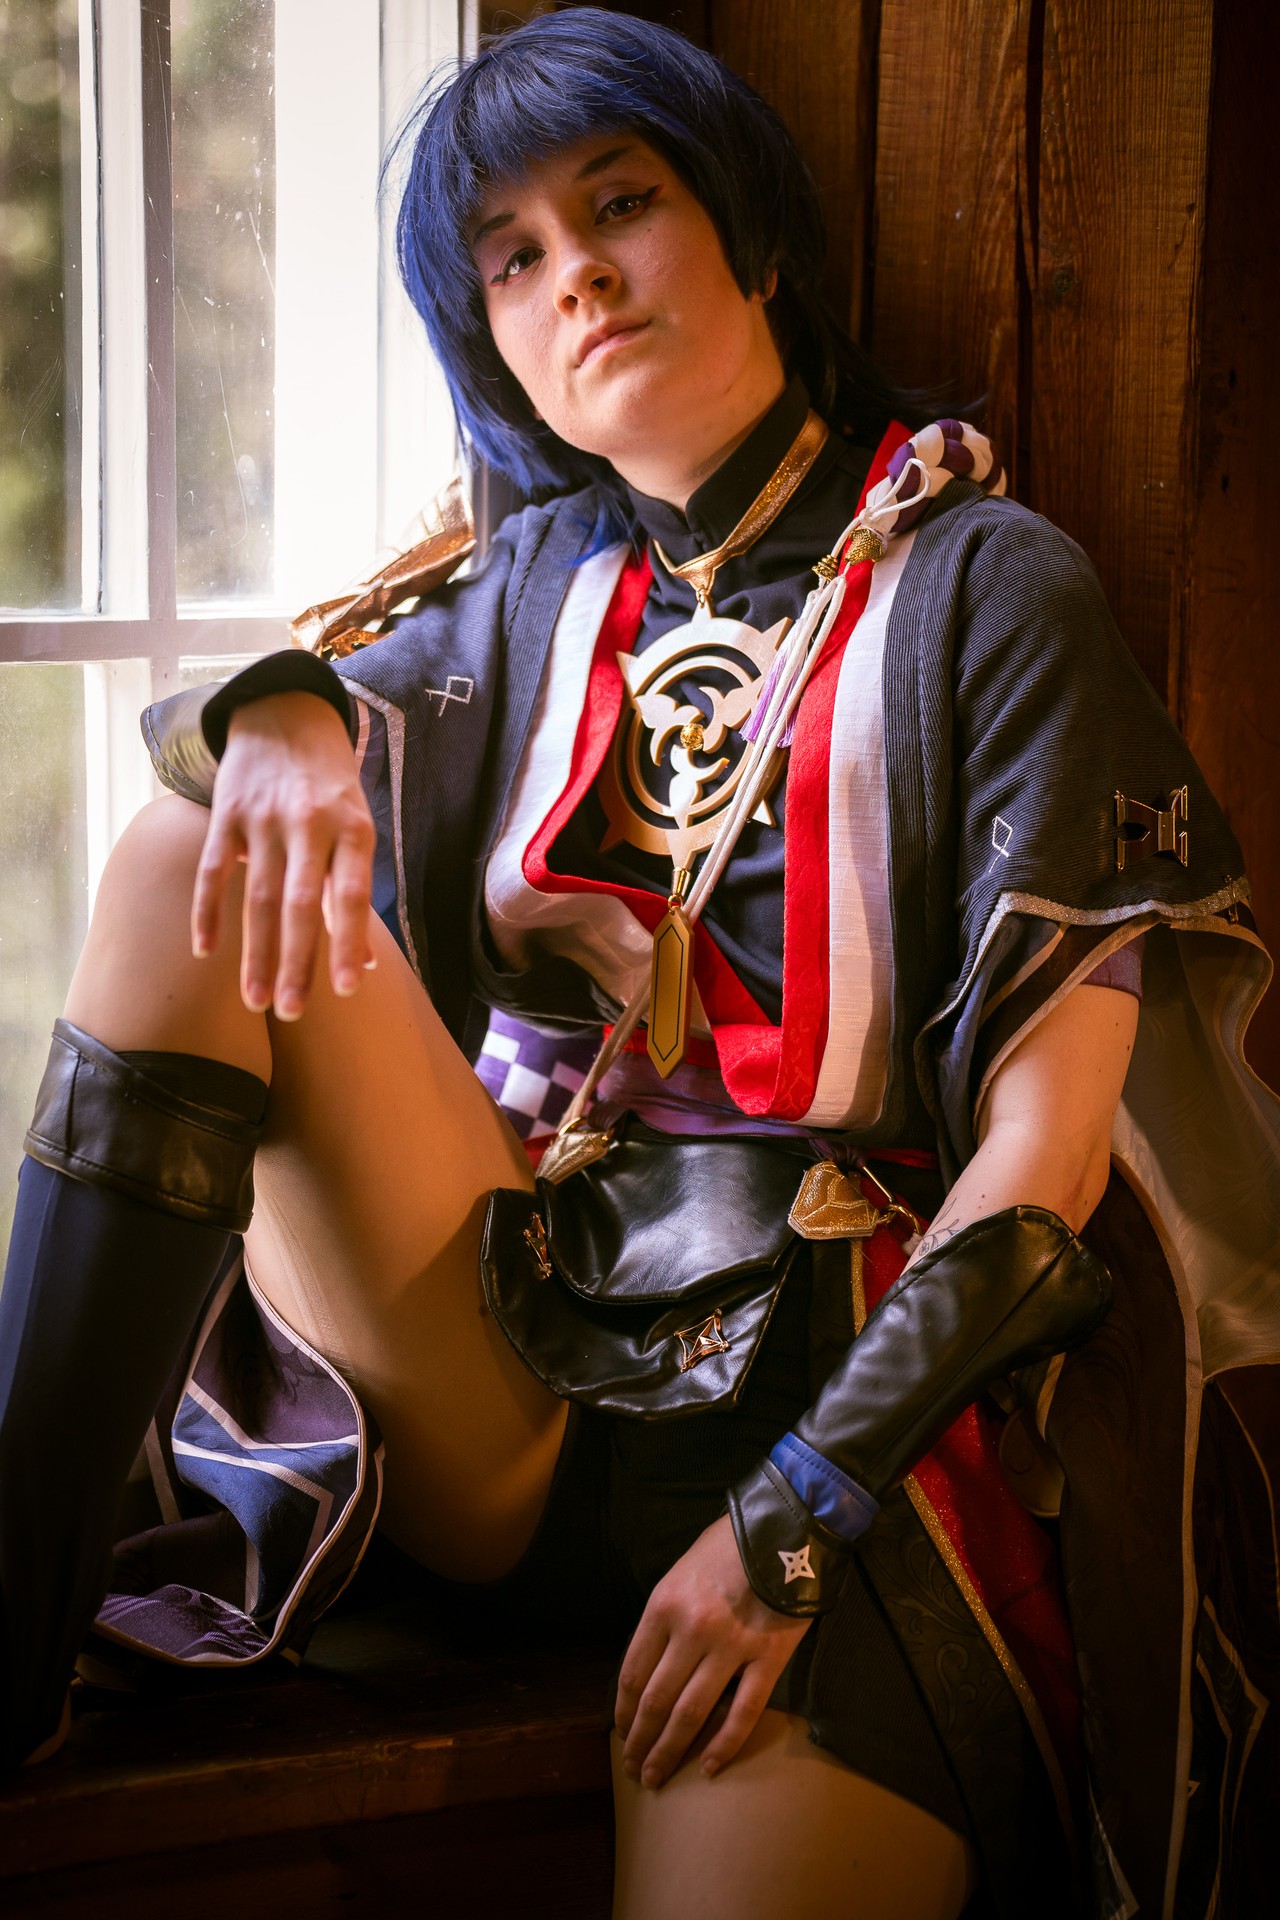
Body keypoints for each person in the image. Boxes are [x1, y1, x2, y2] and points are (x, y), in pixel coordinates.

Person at [2, 11, 1277, 1917]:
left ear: (749, 230)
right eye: (512, 258)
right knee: (199, 843)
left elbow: (1047, 1164)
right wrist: (276, 720)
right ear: (497, 347)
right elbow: (259, 756)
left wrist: (797, 1518)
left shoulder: (989, 583)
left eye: (620, 204)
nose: (575, 274)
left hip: (834, 1445)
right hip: (509, 1378)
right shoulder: (532, 585)